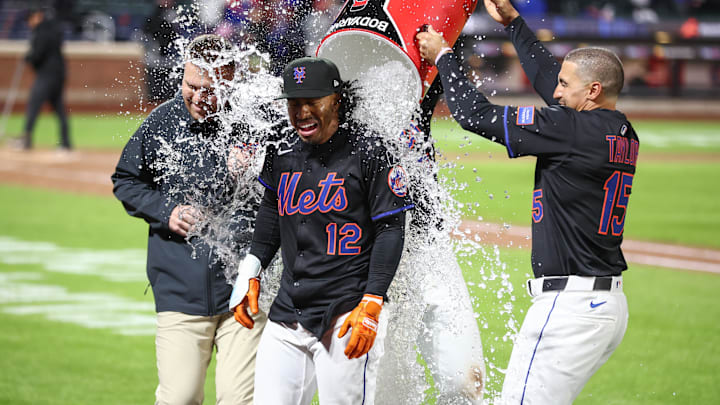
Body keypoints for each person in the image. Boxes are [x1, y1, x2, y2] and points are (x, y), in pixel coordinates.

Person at [417, 0, 637, 402]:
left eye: (565, 86)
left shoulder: (568, 129)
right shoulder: (619, 129)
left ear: (593, 90)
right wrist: (515, 24)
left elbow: (472, 114)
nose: (555, 91)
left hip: (569, 307)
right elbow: (553, 78)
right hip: (603, 305)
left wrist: (445, 57)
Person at [229, 56, 414, 404]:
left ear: (336, 100)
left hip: (347, 312)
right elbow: (272, 205)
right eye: (294, 103)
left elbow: (391, 226)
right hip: (289, 311)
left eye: (312, 102)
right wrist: (251, 266)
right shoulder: (281, 146)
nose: (301, 113)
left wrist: (373, 300)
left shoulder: (370, 149)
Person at [111, 34, 266, 405]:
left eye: (209, 89)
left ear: (229, 81)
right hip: (180, 290)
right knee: (178, 398)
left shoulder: (254, 124)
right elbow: (126, 180)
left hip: (245, 291)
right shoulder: (161, 122)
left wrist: (253, 173)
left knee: (239, 400)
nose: (198, 97)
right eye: (190, 86)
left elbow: (288, 190)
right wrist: (167, 212)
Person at [20, 8, 70, 151]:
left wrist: (29, 58)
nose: (30, 24)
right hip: (59, 73)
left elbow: (38, 54)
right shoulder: (54, 28)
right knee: (59, 108)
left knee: (34, 104)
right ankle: (66, 143)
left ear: (36, 17)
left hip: (46, 74)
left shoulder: (41, 31)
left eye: (30, 20)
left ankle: (26, 139)